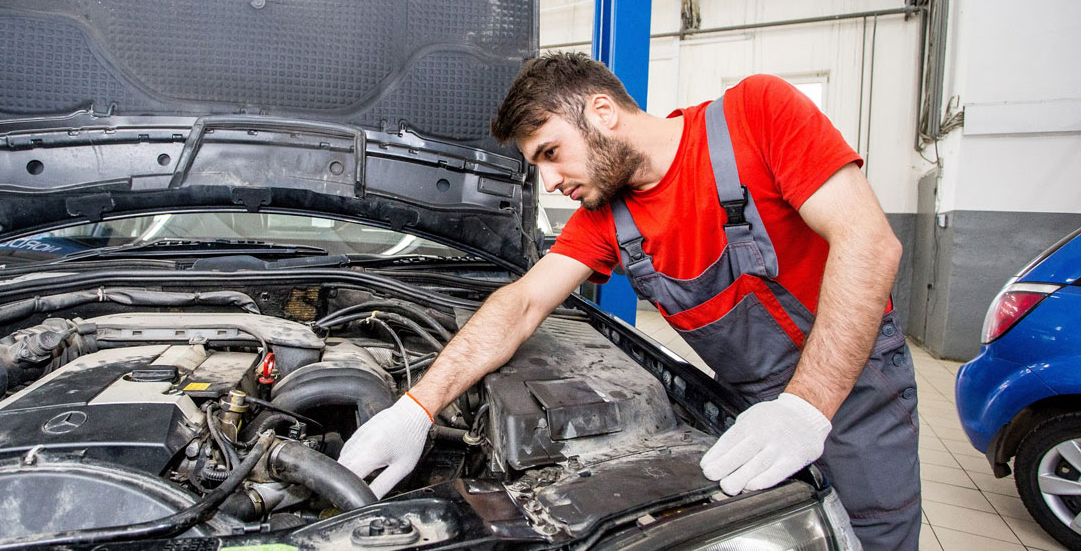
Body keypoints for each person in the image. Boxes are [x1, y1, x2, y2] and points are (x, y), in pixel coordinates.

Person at [337, 52, 920, 550]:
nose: (549, 181)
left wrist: (807, 407)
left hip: (855, 391)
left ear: (602, 112)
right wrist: (416, 408)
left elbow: (869, 243)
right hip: (749, 406)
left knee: (867, 538)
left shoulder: (756, 114)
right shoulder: (608, 220)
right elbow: (520, 305)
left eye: (549, 152)